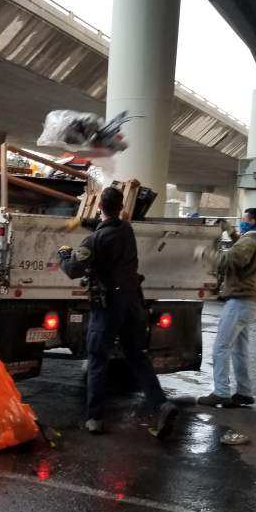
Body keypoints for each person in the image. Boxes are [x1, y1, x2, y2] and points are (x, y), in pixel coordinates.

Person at [58, 186, 178, 437]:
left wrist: (63, 255)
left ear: (100, 206)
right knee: (136, 356)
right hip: (132, 303)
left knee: (98, 360)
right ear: (121, 208)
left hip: (107, 306)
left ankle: (94, 417)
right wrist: (85, 221)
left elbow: (73, 270)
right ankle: (161, 403)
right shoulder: (126, 229)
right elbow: (106, 227)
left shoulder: (92, 241)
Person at [198, 207, 256, 408]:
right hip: (250, 302)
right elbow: (242, 246)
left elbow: (232, 260)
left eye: (243, 219)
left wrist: (206, 253)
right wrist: (230, 231)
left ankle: (221, 392)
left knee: (221, 348)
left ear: (252, 220)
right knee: (240, 350)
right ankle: (244, 392)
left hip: (239, 301)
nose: (241, 221)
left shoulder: (250, 241)